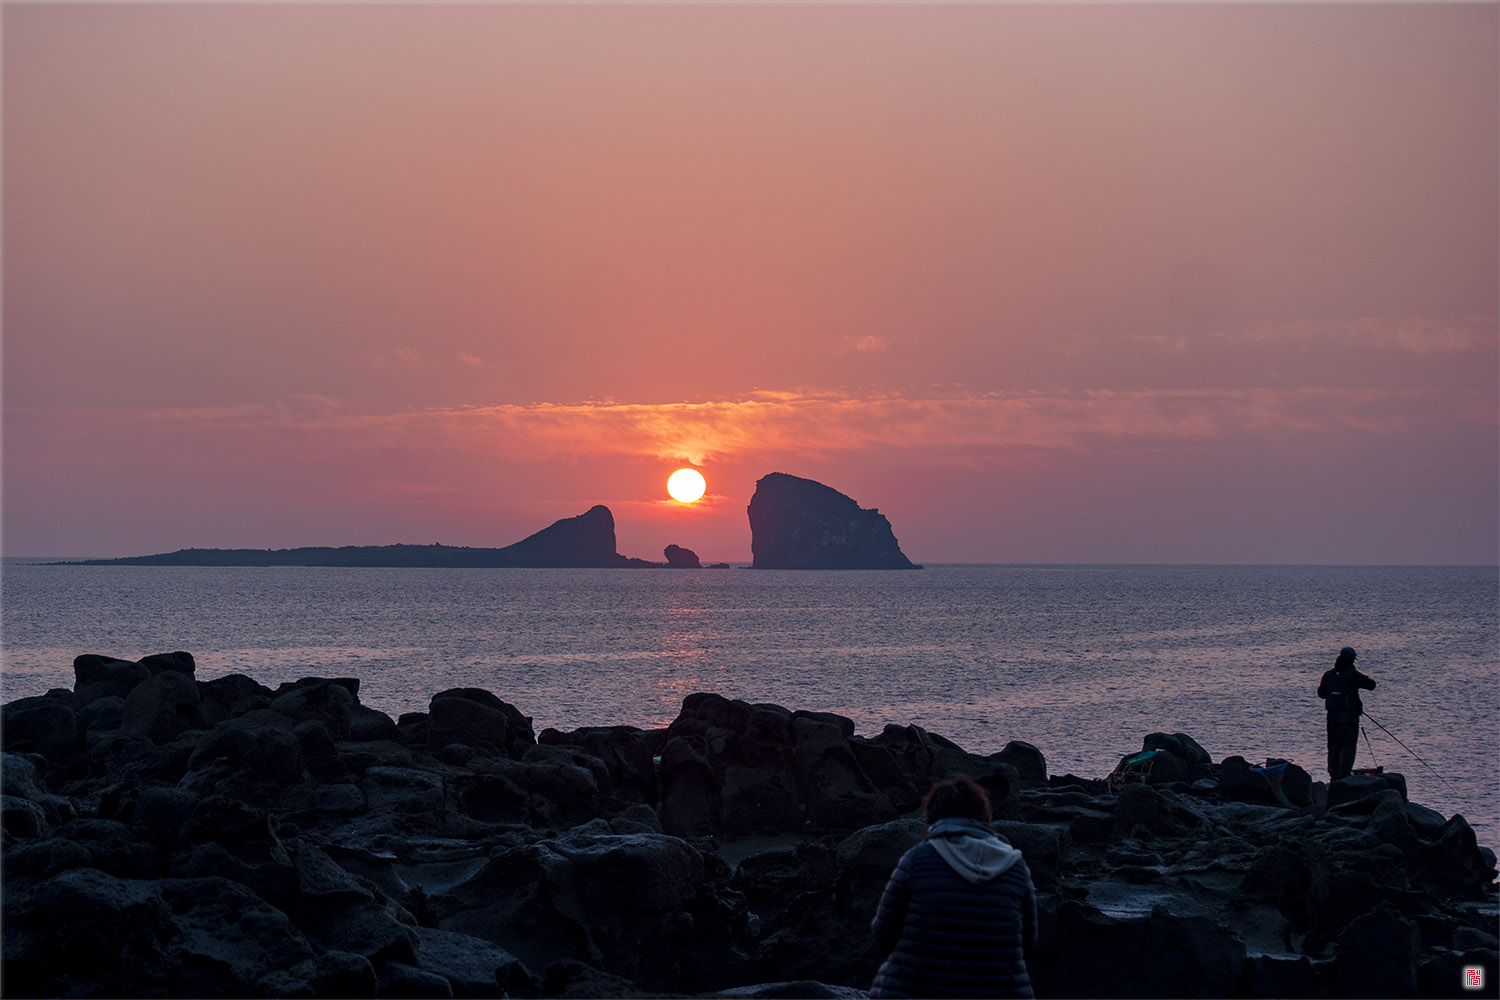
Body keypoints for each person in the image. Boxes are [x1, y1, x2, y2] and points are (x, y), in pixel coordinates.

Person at [869, 776, 1037, 999]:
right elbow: (1028, 941)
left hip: (916, 989)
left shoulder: (917, 860)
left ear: (933, 815)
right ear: (983, 815)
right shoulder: (1015, 867)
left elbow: (883, 933)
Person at [1317, 646, 1377, 780]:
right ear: (1352, 660)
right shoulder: (1352, 674)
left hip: (1332, 717)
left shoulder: (1329, 674)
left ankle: (1333, 773)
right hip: (1350, 718)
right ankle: (1344, 775)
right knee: (1348, 747)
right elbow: (1371, 685)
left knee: (1333, 746)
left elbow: (1321, 694)